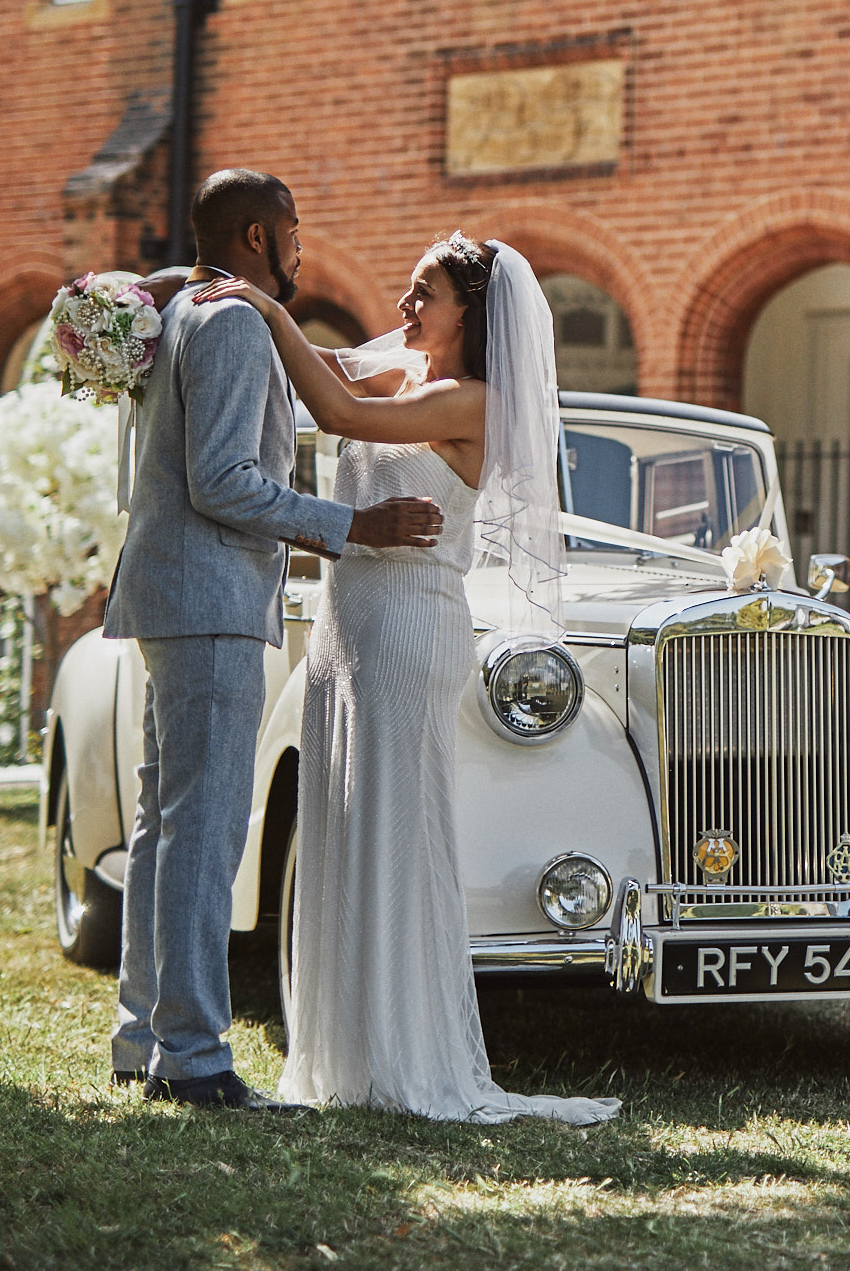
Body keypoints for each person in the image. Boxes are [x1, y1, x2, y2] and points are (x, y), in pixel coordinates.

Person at [197, 232, 620, 1124]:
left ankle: (409, 1057)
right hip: (345, 627)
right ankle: (348, 1058)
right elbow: (325, 375)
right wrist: (183, 295)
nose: (403, 309)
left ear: (472, 311)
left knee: (398, 832)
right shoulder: (405, 370)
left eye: (422, 294)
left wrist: (269, 305)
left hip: (409, 626)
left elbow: (341, 415)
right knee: (342, 830)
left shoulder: (473, 399)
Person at [105, 169, 445, 1114]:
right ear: (259, 235)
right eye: (296, 230)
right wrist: (354, 525)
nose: (303, 247)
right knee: (202, 837)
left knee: (165, 830)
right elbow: (223, 483)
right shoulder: (235, 325)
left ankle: (145, 1040)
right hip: (206, 599)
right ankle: (196, 1058)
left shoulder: (183, 311)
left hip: (177, 595)